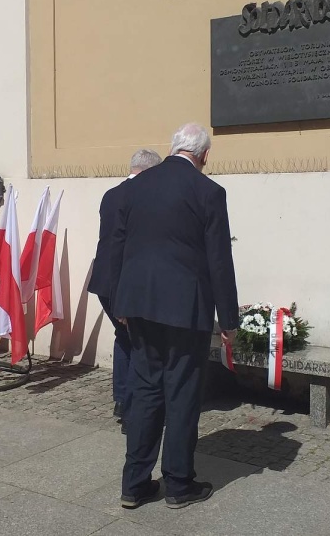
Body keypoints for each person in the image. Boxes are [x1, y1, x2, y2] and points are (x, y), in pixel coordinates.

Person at [108, 123, 238, 509]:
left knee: (146, 389)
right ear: (203, 155)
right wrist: (229, 319)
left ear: (173, 148)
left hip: (139, 305)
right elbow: (219, 258)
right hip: (185, 308)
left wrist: (120, 305)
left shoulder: (135, 186)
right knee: (181, 393)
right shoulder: (208, 191)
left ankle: (134, 483)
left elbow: (117, 247)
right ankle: (179, 484)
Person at [87, 148, 162, 434]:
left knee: (125, 338)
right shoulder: (140, 197)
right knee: (139, 343)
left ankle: (121, 397)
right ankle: (132, 410)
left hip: (104, 280)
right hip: (124, 282)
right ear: (149, 171)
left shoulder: (111, 194)